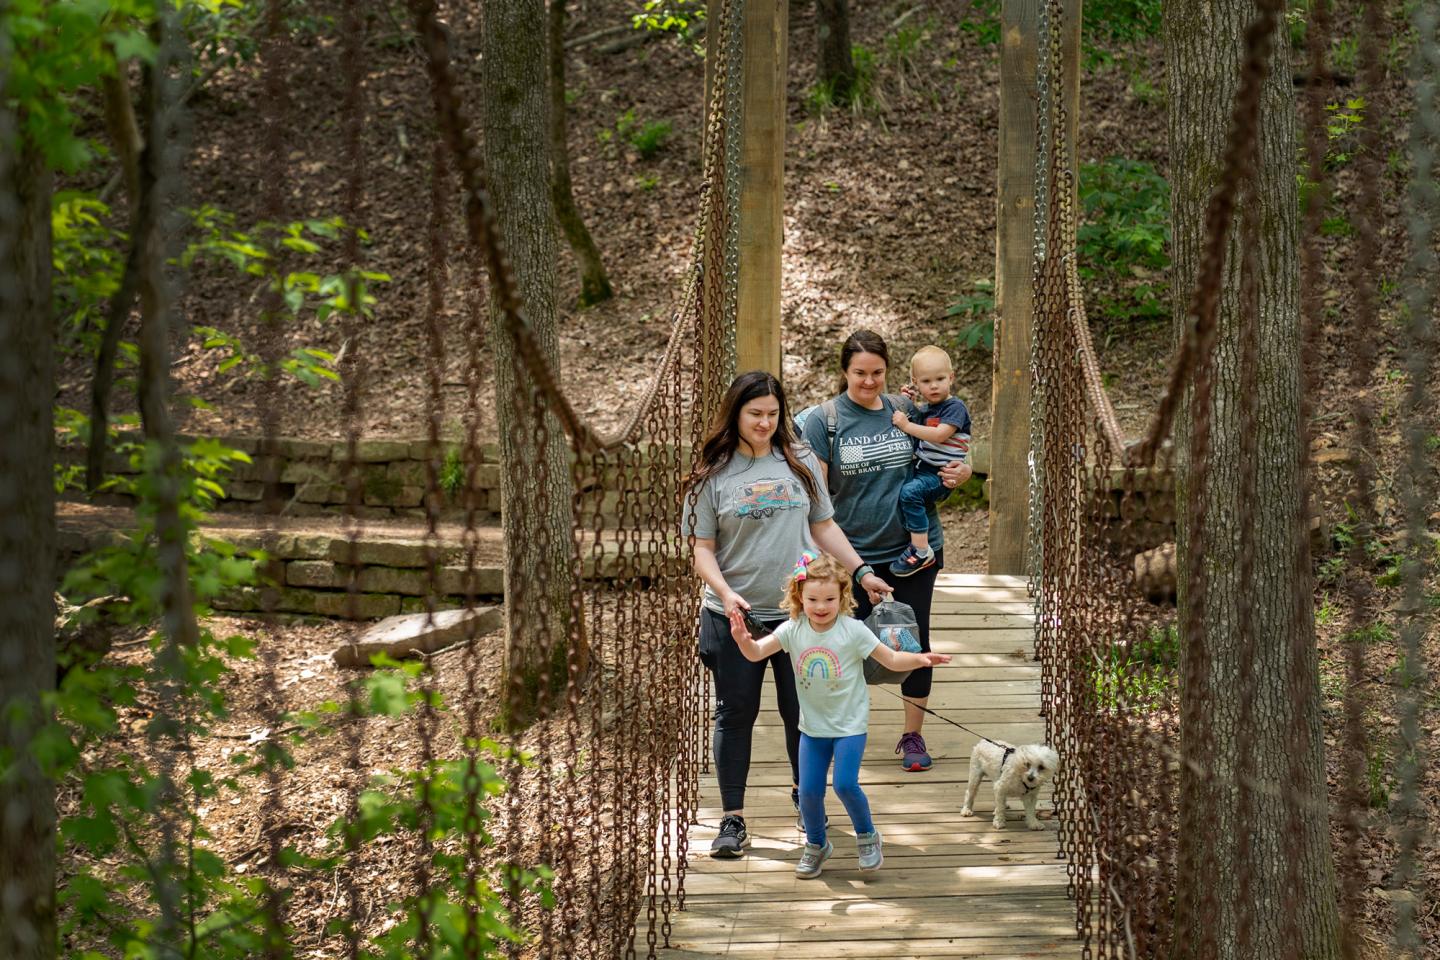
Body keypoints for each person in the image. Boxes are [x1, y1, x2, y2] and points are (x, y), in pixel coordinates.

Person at [682, 371, 893, 859]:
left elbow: (823, 526)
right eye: (755, 414)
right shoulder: (711, 473)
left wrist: (861, 573)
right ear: (735, 413)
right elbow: (701, 548)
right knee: (736, 712)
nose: (764, 423)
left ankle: (807, 799)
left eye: (773, 414)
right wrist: (724, 592)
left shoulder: (797, 460)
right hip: (731, 613)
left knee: (802, 710)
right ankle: (732, 818)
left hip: (799, 615)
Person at [799, 330, 972, 773]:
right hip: (851, 558)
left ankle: (912, 735)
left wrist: (962, 472)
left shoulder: (904, 409)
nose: (870, 381)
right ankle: (840, 733)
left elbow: (941, 457)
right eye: (860, 373)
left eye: (878, 372)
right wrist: (849, 568)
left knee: (915, 643)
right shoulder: (826, 421)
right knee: (842, 648)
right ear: (845, 372)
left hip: (914, 550)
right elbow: (816, 501)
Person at [728, 551, 951, 878]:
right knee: (808, 792)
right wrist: (743, 639)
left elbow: (890, 658)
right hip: (813, 728)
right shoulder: (793, 629)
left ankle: (867, 836)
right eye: (813, 599)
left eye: (830, 599)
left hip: (849, 726)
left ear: (843, 596)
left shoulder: (853, 630)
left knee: (846, 784)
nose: (821, 607)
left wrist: (920, 660)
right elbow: (757, 652)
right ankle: (816, 845)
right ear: (799, 597)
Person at [890, 345, 972, 576]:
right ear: (916, 382)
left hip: (939, 473)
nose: (934, 385)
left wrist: (906, 425)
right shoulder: (928, 409)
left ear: (951, 377)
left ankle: (921, 549)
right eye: (926, 381)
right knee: (904, 491)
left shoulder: (955, 407)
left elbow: (939, 434)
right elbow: (921, 421)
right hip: (923, 467)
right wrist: (909, 404)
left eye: (940, 379)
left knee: (910, 493)